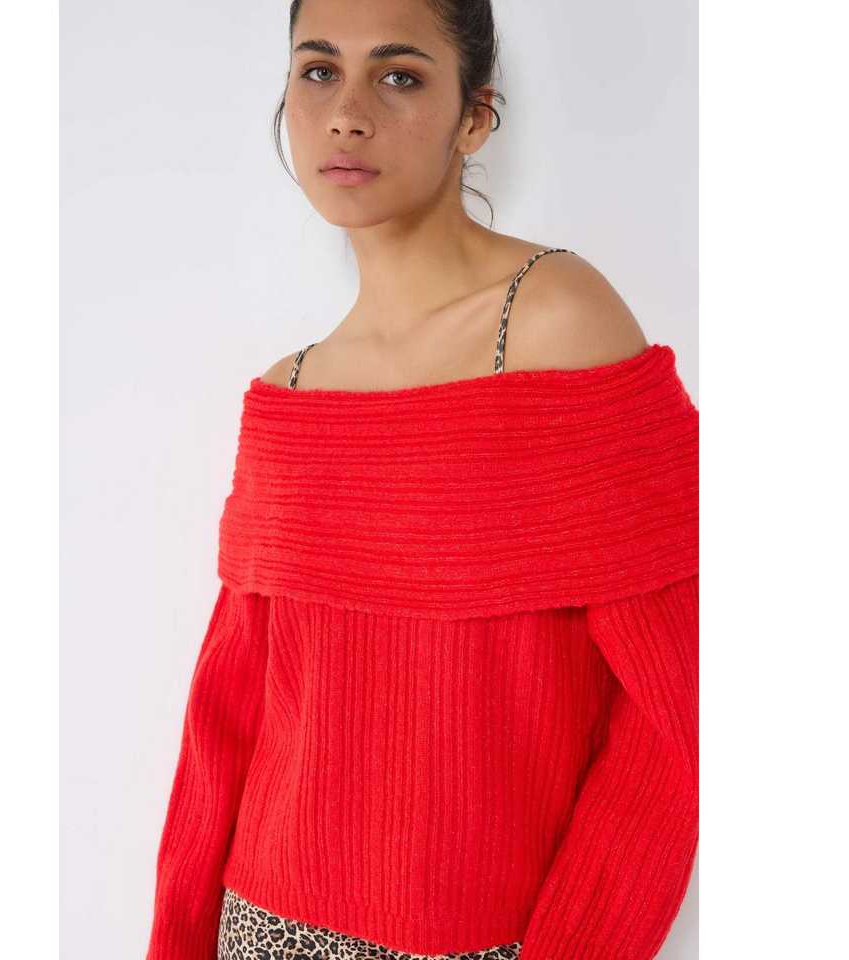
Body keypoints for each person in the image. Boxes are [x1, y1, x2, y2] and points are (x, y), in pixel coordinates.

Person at [146, 2, 699, 959]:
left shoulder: (557, 324)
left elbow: (681, 703)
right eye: (319, 70)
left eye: (399, 76)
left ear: (475, 117)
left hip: (484, 942)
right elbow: (225, 724)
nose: (347, 113)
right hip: (260, 928)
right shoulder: (290, 393)